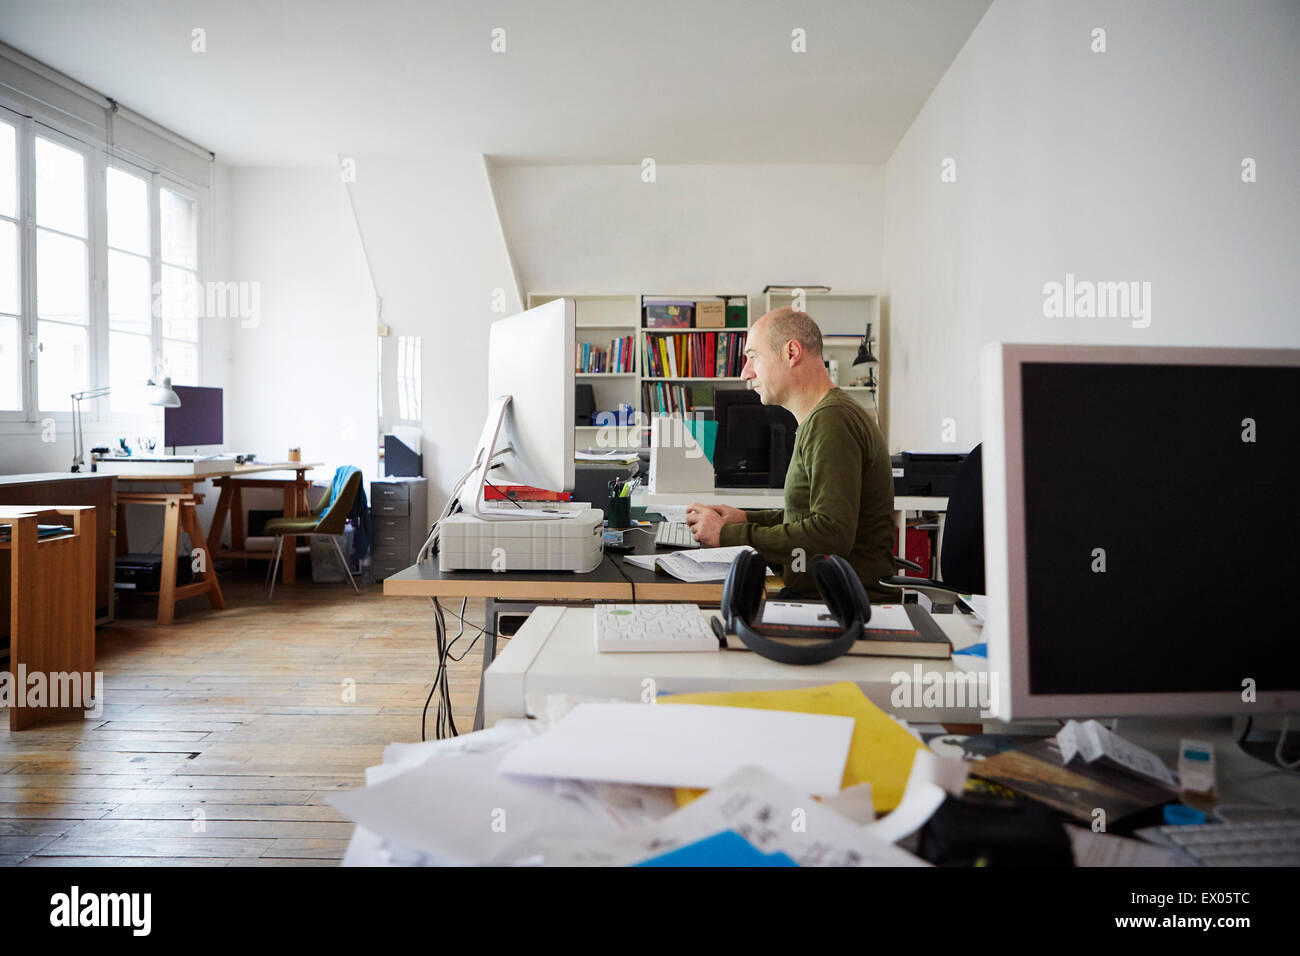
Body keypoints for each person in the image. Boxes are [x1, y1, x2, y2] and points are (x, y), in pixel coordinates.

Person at [684, 307, 896, 603]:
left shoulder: (832, 420)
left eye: (753, 356)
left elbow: (830, 535)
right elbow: (809, 517)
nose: (746, 372)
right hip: (826, 596)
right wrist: (743, 518)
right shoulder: (823, 416)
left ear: (791, 352)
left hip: (837, 606)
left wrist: (728, 535)